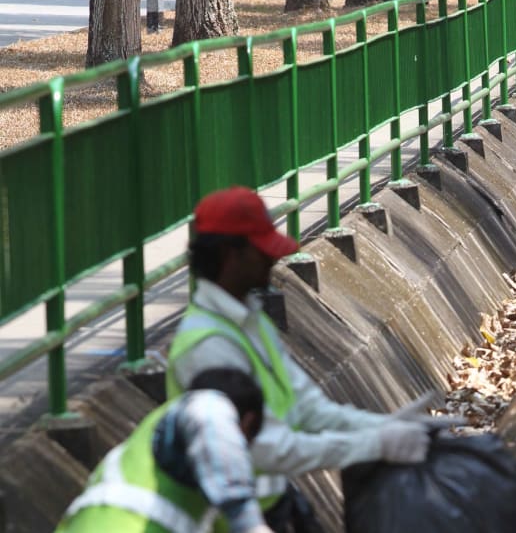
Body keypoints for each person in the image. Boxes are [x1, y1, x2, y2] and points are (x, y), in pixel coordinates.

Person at [166, 186, 448, 532]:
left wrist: (384, 426)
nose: (272, 259)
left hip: (276, 502)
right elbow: (265, 449)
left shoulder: (249, 321)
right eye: (260, 250)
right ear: (229, 255)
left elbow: (308, 409)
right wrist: (374, 443)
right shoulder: (206, 346)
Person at [56, 368, 272, 533]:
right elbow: (208, 413)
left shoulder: (165, 443)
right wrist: (249, 523)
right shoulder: (205, 408)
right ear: (248, 421)